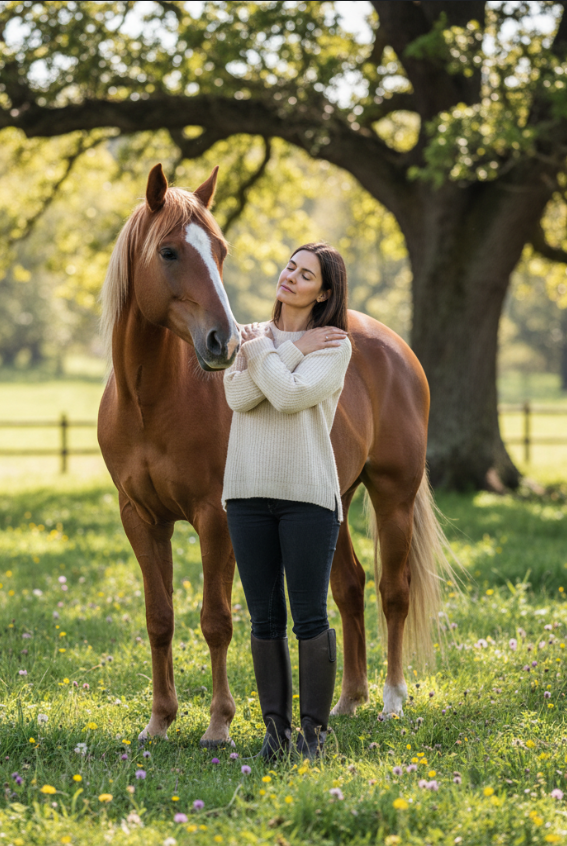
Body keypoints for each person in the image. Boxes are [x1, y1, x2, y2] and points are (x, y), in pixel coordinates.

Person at [221, 242, 352, 760]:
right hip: (246, 493)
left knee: (309, 617)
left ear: (324, 293)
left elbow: (291, 395)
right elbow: (237, 398)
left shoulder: (335, 346)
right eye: (289, 267)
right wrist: (279, 351)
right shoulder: (252, 336)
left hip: (307, 497)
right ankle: (275, 735)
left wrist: (267, 354)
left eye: (306, 274)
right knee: (263, 619)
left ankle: (313, 737)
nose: (291, 277)